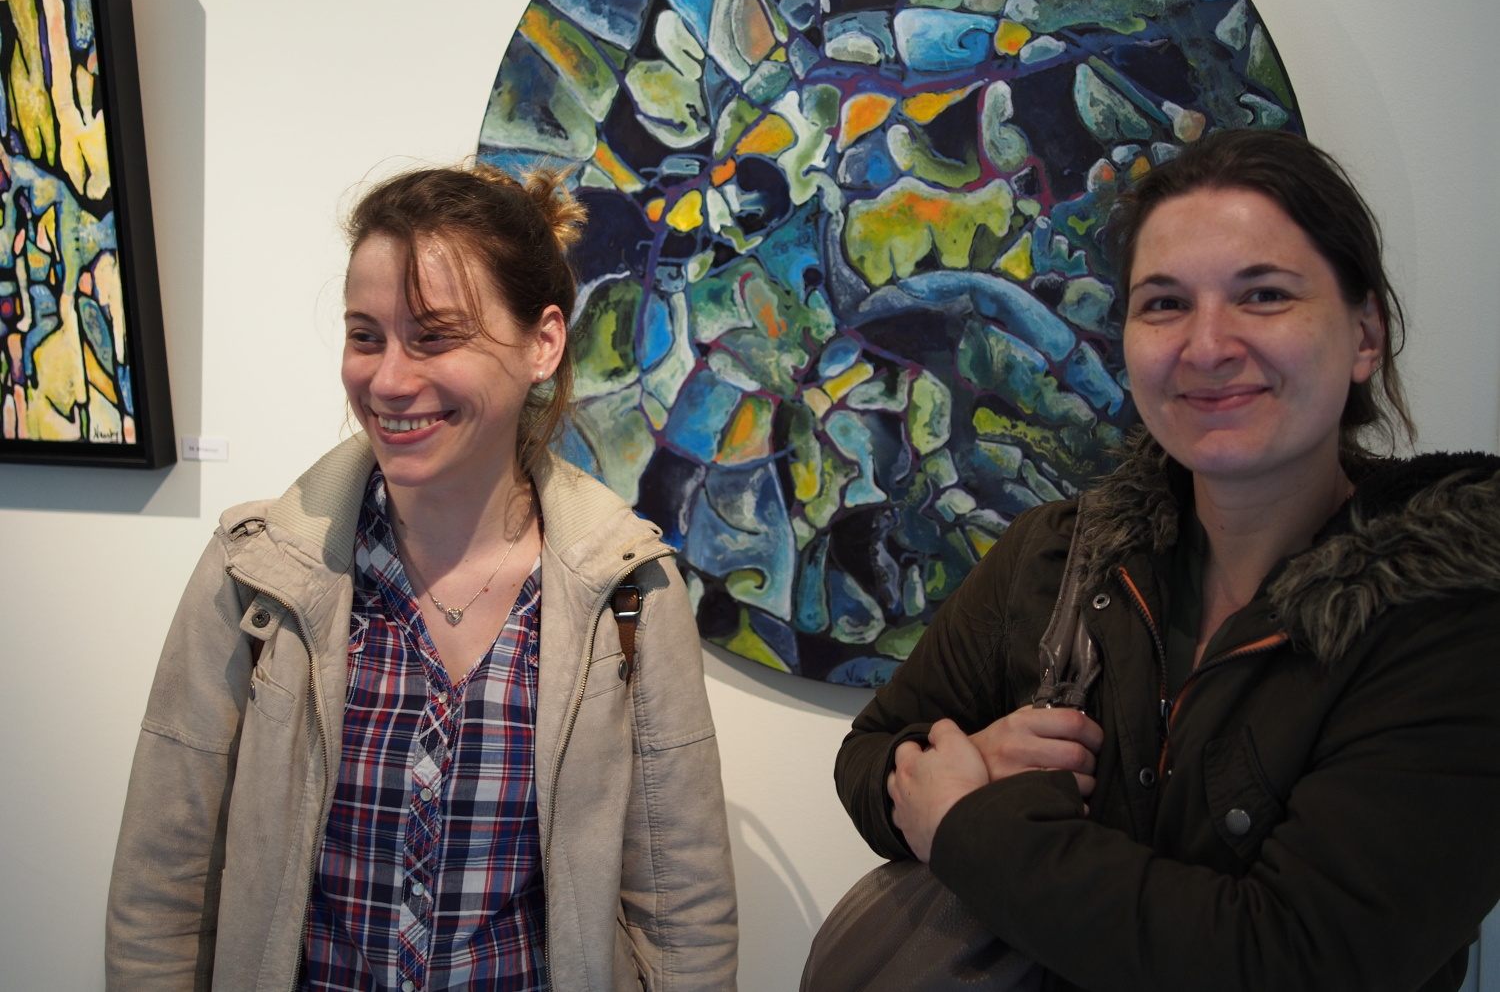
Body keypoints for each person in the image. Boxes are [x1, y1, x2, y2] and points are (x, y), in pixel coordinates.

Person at [833, 128, 1500, 991]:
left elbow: (1292, 961)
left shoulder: (1453, 623)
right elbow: (868, 754)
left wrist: (970, 822)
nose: (1207, 345)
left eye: (1264, 294)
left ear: (1365, 334)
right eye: (1164, 303)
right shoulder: (1055, 556)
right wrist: (963, 755)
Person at [106, 163, 738, 990]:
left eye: (435, 337)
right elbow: (161, 888)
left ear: (543, 343)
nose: (389, 380)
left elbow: (682, 912)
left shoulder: (628, 594)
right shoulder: (256, 575)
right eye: (366, 336)